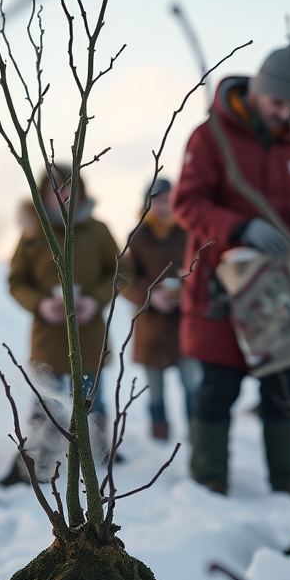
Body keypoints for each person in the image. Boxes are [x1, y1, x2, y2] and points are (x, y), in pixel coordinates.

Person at [173, 41, 290, 499]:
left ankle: (289, 480)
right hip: (221, 288)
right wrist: (240, 227)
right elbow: (186, 203)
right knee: (218, 388)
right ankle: (209, 481)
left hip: (278, 291)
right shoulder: (210, 137)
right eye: (277, 102)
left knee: (283, 386)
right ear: (258, 92)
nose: (284, 113)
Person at [8, 164, 123, 432]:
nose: (64, 196)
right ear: (43, 194)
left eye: (71, 188)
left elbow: (120, 272)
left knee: (90, 401)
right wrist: (40, 304)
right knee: (46, 403)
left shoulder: (98, 231)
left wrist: (95, 300)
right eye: (55, 190)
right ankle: (43, 454)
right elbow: (17, 281)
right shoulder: (33, 234)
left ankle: (94, 452)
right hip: (48, 336)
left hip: (89, 334)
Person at [121, 178, 201, 440]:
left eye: (169, 200)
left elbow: (201, 270)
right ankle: (159, 437)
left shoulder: (189, 232)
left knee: (192, 383)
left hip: (185, 323)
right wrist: (150, 295)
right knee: (155, 388)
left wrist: (187, 289)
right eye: (158, 200)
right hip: (151, 326)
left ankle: (196, 434)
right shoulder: (136, 237)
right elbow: (124, 280)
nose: (164, 206)